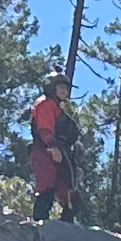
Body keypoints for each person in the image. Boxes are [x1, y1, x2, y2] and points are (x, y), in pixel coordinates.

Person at [29, 73, 80, 222]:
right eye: (61, 87)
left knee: (68, 192)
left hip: (61, 154)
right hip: (45, 152)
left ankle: (67, 228)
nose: (65, 91)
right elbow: (45, 128)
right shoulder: (45, 104)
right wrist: (52, 146)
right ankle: (39, 225)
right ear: (51, 86)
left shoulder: (58, 109)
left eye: (67, 88)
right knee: (46, 187)